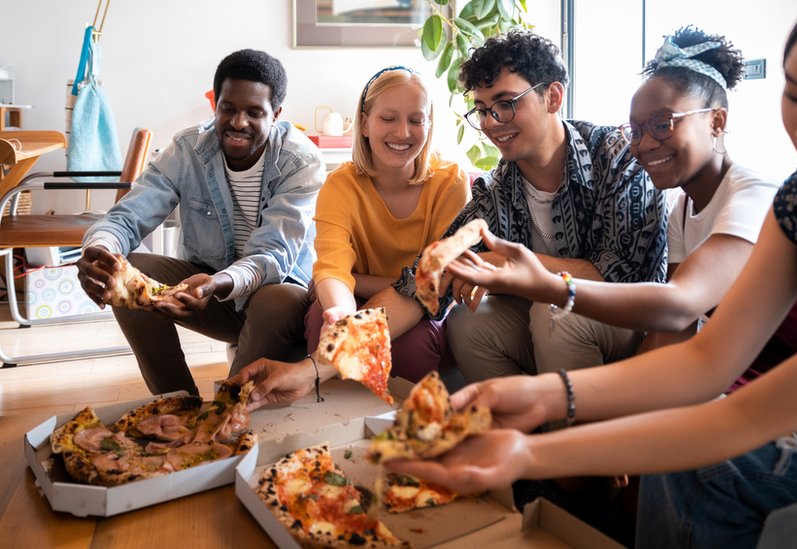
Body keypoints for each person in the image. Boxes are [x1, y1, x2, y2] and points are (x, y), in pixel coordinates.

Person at [389, 1, 797, 546]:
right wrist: (538, 397)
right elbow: (705, 357)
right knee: (686, 458)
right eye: (795, 96)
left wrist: (534, 450)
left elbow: (737, 400)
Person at [447, 26, 797, 442]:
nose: (644, 145)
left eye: (663, 123)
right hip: (728, 359)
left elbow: (678, 305)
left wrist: (547, 285)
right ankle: (557, 468)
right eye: (636, 130)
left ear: (716, 121)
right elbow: (677, 328)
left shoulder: (753, 195)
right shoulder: (685, 207)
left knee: (560, 323)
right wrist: (627, 412)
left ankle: (570, 477)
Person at [369, 29, 668, 384]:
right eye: (482, 110)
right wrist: (313, 366)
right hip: (553, 328)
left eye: (507, 103)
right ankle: (517, 430)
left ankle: (574, 438)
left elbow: (621, 275)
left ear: (553, 97)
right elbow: (424, 280)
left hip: (636, 327)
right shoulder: (498, 189)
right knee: (468, 322)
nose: (492, 123)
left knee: (552, 310)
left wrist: (506, 265)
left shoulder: (617, 156)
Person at [77, 49, 325, 397]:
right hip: (212, 299)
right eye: (228, 109)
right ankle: (177, 404)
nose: (238, 122)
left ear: (276, 114)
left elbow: (273, 255)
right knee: (124, 269)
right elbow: (128, 216)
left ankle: (228, 411)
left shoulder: (301, 161)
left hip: (274, 307)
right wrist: (99, 250)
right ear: (215, 106)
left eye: (254, 112)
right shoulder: (188, 150)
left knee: (279, 298)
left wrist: (216, 284)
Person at [230, 67, 469, 408]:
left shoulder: (450, 182)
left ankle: (405, 424)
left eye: (417, 120)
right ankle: (328, 418)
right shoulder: (341, 184)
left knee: (412, 345)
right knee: (320, 322)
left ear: (430, 124)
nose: (403, 132)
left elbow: (431, 285)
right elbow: (331, 266)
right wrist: (342, 311)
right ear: (365, 122)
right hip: (352, 296)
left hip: (421, 308)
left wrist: (362, 283)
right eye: (388, 118)